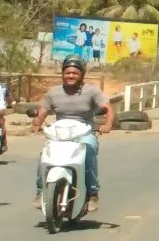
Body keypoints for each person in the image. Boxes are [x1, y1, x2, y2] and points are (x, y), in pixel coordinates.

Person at [31, 55, 115, 213]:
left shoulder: (92, 91)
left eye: (74, 73)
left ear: (82, 75)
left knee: (89, 150)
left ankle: (92, 193)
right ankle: (40, 190)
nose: (70, 76)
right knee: (44, 154)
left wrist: (108, 124)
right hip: (60, 132)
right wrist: (36, 123)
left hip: (84, 131)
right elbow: (43, 110)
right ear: (63, 74)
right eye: (67, 72)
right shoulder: (53, 92)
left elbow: (108, 109)